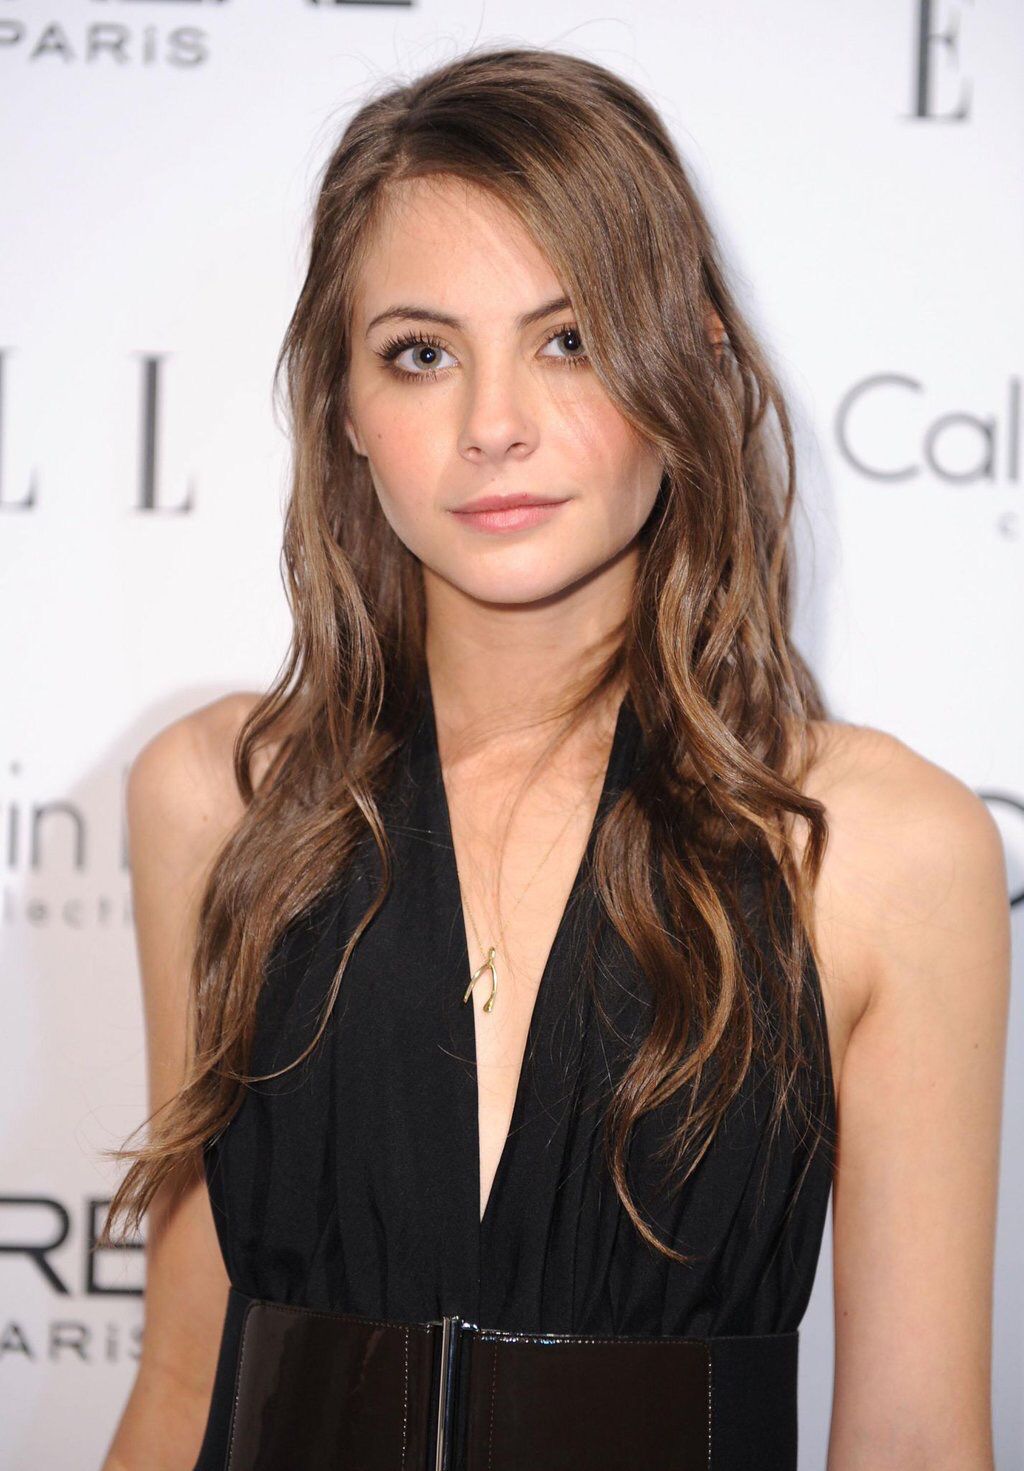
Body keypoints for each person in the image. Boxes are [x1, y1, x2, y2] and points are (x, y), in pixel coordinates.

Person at [98, 44, 1009, 1471]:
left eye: (569, 339)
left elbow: (911, 1439)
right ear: (345, 409)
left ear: (694, 361)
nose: (494, 427)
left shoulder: (882, 849)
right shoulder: (220, 802)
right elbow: (180, 1381)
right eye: (421, 353)